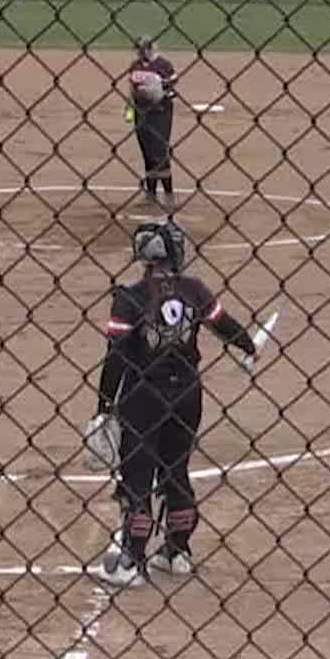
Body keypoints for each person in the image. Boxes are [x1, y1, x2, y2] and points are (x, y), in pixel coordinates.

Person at [86, 221, 258, 588]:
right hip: (187, 395)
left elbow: (115, 357)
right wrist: (248, 346)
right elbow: (223, 324)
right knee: (176, 470)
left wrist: (104, 406)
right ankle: (177, 552)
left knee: (138, 475)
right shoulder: (194, 290)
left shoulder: (130, 298)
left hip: (142, 396)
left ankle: (132, 559)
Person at [125, 36, 179, 208]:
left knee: (159, 153)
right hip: (141, 114)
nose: (141, 53)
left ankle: (169, 194)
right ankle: (151, 195)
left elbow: (172, 91)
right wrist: (130, 108)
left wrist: (157, 93)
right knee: (147, 153)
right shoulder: (135, 66)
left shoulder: (164, 66)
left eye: (144, 49)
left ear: (151, 48)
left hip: (160, 114)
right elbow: (132, 90)